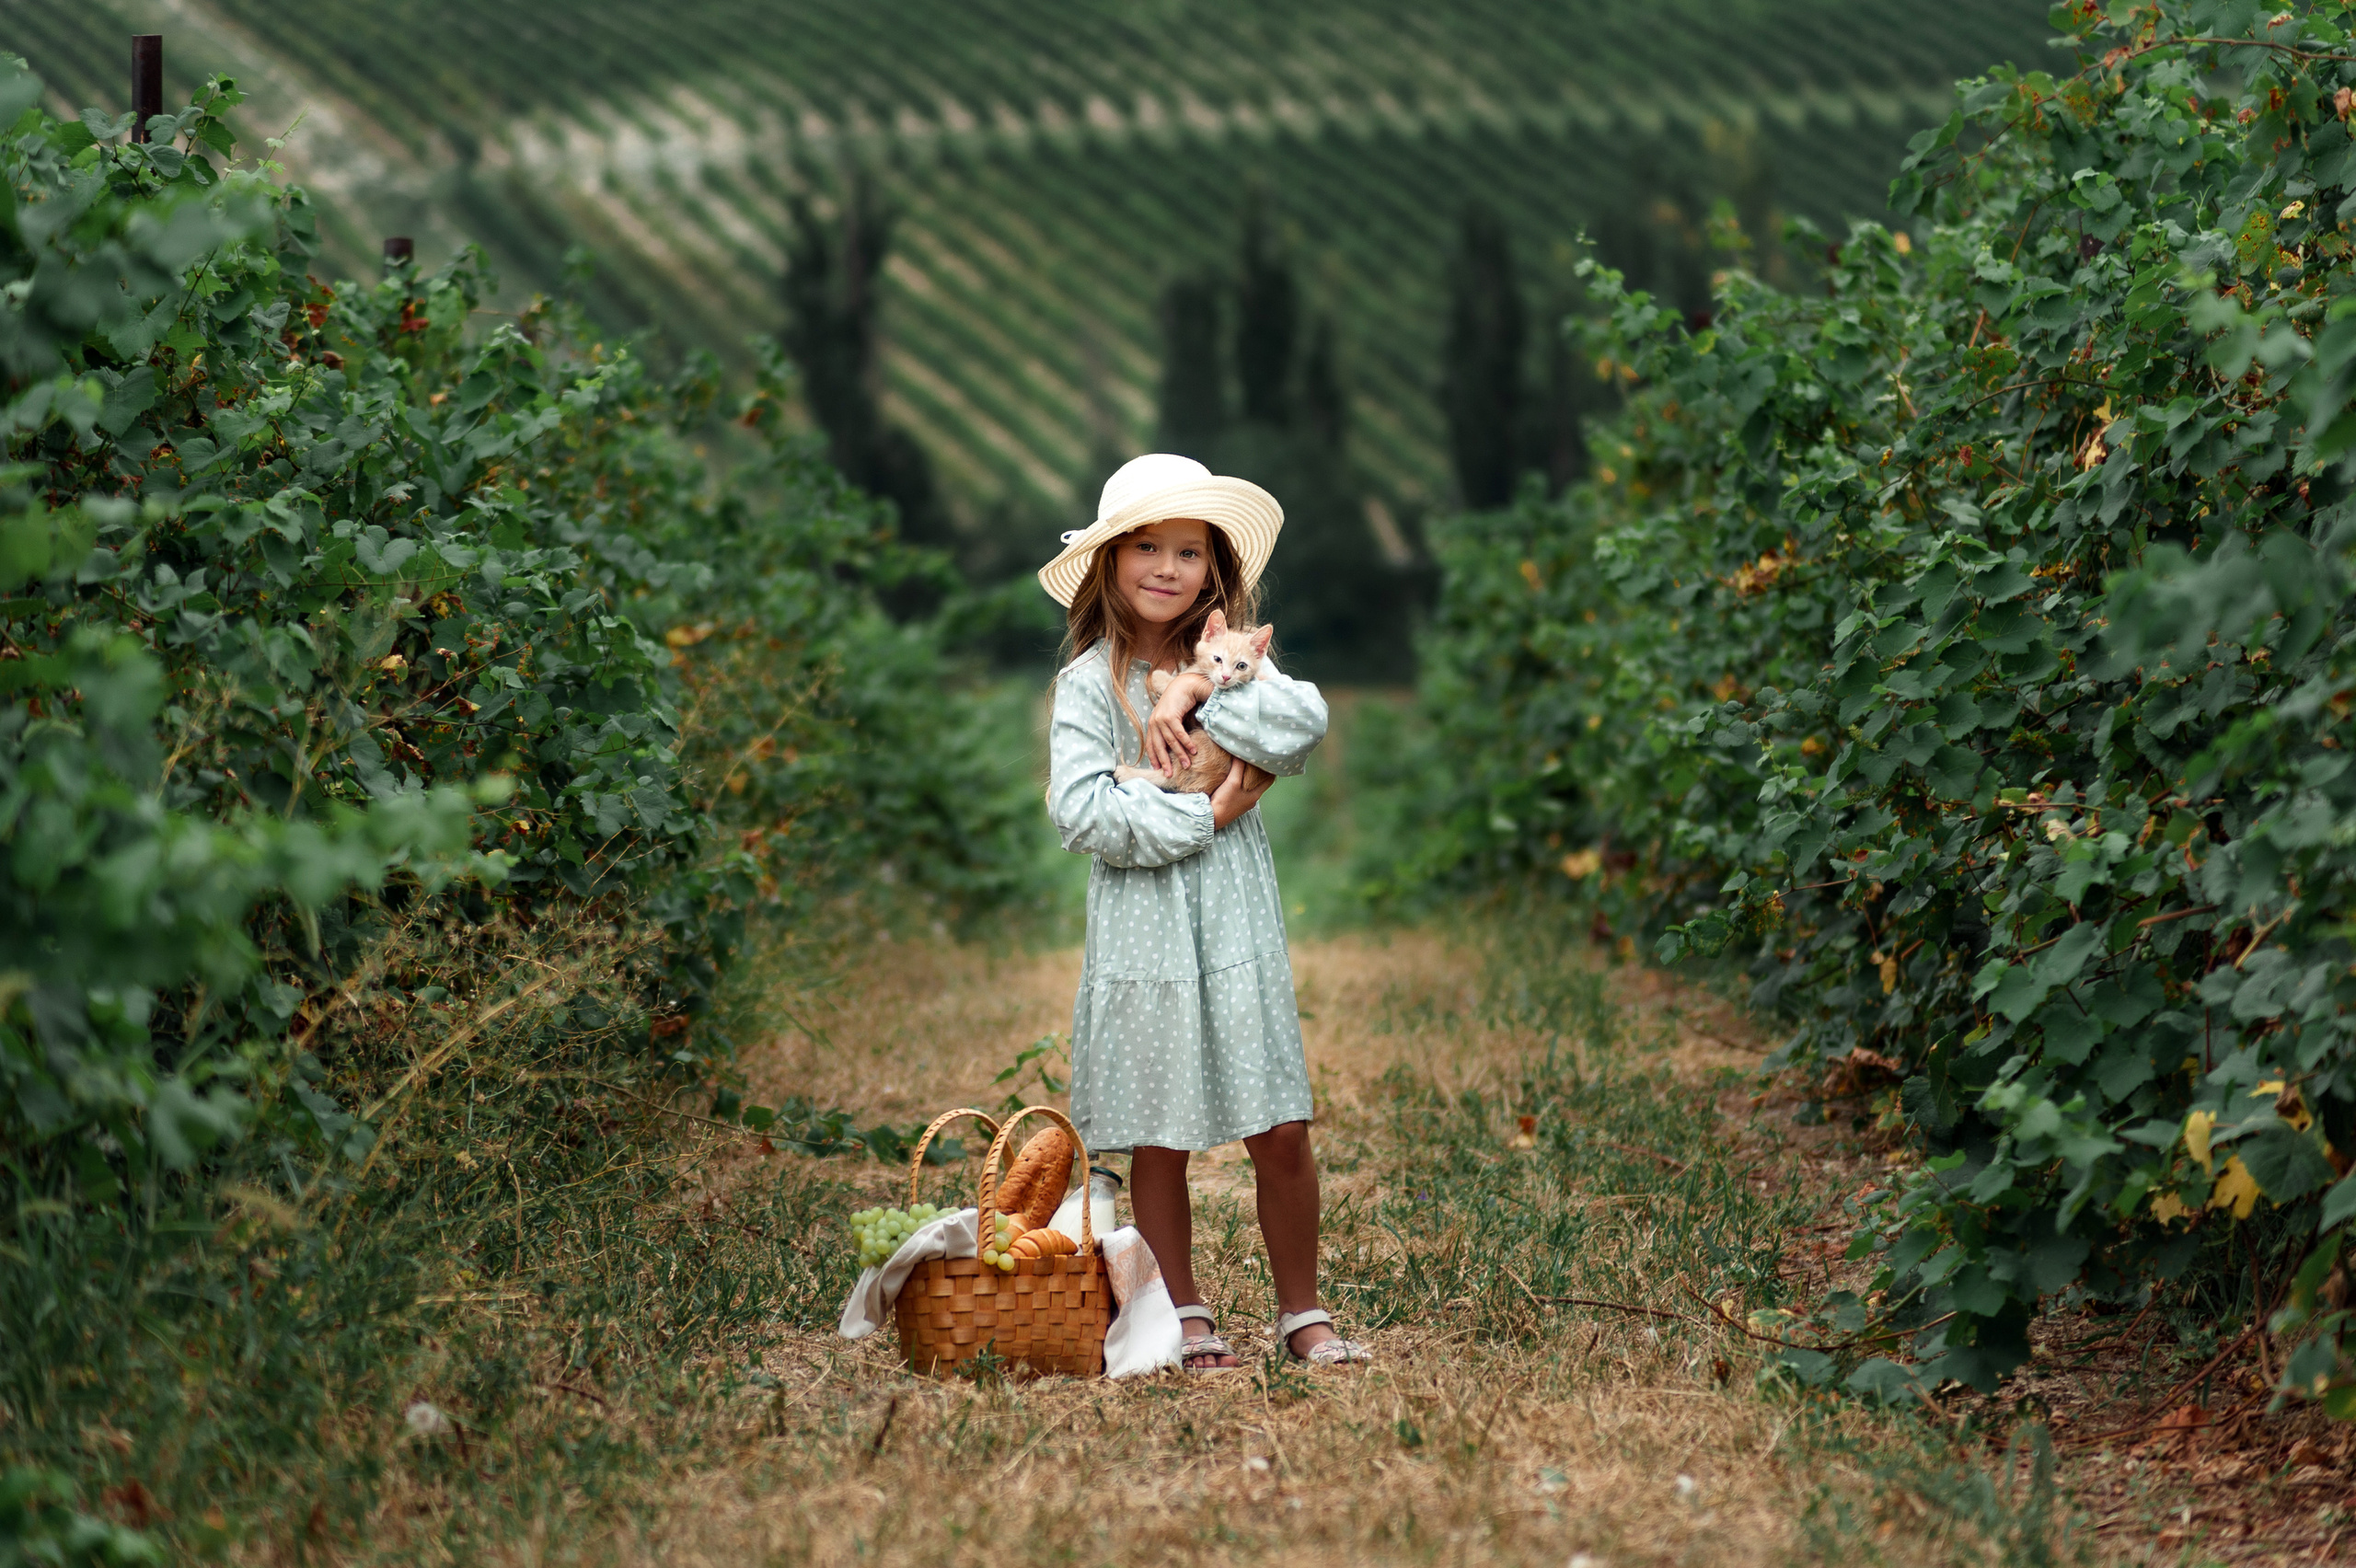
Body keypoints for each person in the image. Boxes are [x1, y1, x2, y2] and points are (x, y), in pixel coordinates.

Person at [1037, 453, 1372, 1370]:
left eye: (1188, 551)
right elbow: (1085, 812)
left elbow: (1296, 731)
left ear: (1214, 572)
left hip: (1231, 916)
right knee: (1159, 1129)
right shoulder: (1087, 686)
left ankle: (1300, 1309)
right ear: (1108, 563)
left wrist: (1201, 692)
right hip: (1143, 919)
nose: (1165, 567)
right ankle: (1181, 1307)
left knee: (1281, 1123)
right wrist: (1205, 813)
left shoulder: (1228, 665)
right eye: (1145, 546)